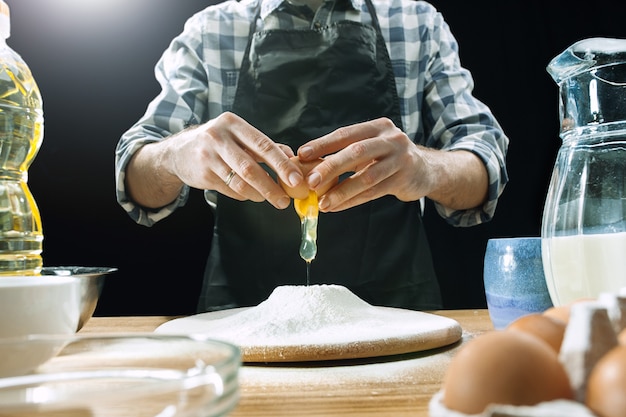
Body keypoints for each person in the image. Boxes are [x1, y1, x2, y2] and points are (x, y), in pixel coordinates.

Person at [115, 0, 509, 313]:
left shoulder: (416, 22)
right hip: (243, 316)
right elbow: (136, 181)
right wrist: (174, 155)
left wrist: (426, 169)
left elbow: (484, 168)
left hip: (393, 310)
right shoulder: (211, 31)